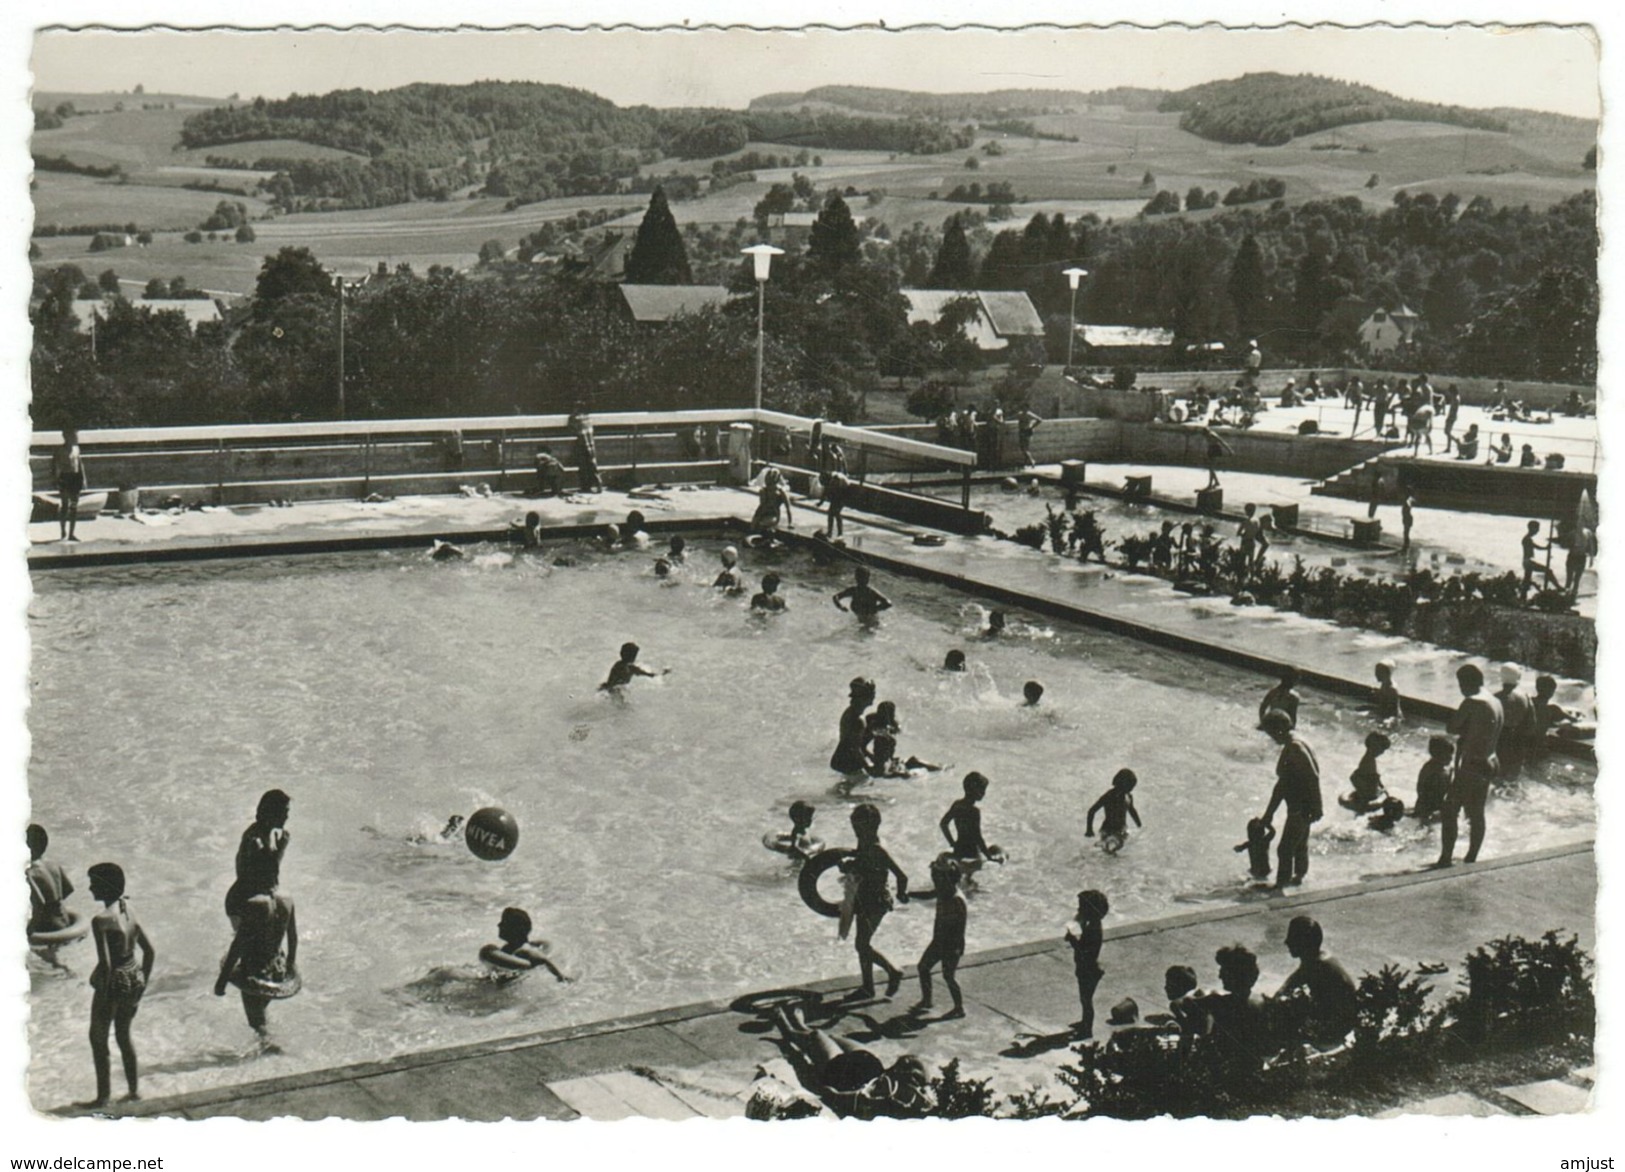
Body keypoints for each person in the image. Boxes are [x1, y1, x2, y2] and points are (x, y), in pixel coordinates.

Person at [766, 1003, 932, 1118]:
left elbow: (844, 1097)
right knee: (831, 1037)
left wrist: (831, 1092)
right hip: (870, 1063)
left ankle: (787, 1026)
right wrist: (923, 1084)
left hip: (843, 1073)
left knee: (816, 1037)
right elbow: (915, 1064)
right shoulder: (920, 1095)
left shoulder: (887, 1103)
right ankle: (800, 1027)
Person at [84, 863, 155, 1107]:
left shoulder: (101, 920)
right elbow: (150, 952)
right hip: (133, 975)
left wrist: (103, 993)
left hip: (112, 983)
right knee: (124, 1035)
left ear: (105, 887)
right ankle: (134, 1091)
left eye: (93, 882)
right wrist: (141, 987)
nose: (90, 887)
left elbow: (105, 965)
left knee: (98, 1038)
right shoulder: (129, 910)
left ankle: (103, 1097)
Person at [1436, 664, 1503, 868]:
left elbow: (1452, 726)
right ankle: (1471, 857)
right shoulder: (1495, 700)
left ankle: (1445, 859)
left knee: (1449, 810)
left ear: (1466, 682)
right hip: (1491, 760)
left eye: (1460, 684)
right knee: (1477, 813)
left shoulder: (1472, 702)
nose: (1460, 689)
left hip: (1473, 764)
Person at [1175, 944, 1273, 1074]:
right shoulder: (1262, 1000)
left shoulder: (1218, 1002)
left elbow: (1180, 1003)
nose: (1220, 975)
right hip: (1253, 1068)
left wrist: (1201, 996)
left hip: (1223, 1072)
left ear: (1234, 974)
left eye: (1224, 970)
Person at [844, 803, 909, 999]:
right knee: (861, 943)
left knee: (862, 944)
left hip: (876, 901)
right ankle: (867, 988)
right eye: (854, 827)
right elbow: (862, 865)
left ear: (871, 827)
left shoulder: (876, 848)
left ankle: (893, 971)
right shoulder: (864, 843)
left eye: (858, 828)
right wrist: (849, 865)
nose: (855, 832)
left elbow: (901, 875)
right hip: (864, 898)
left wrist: (901, 894)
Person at [215, 887, 296, 1037]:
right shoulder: (286, 898)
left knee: (256, 1025)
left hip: (254, 972)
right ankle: (271, 1038)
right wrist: (290, 967)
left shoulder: (255, 906)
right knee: (261, 1012)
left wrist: (221, 981)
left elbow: (237, 947)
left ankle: (273, 1049)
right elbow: (293, 938)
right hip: (277, 970)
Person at [1259, 709, 1322, 890]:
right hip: (1304, 803)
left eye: (1271, 734)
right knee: (1300, 844)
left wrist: (1318, 805)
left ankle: (1281, 885)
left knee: (1285, 849)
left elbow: (1312, 776)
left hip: (1300, 805)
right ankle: (1299, 878)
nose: (1272, 739)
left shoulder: (1294, 748)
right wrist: (1269, 814)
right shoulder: (1300, 741)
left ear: (1278, 730)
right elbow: (1283, 784)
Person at [1273, 917, 1358, 1051]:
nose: (1287, 942)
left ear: (1303, 942)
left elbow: (1288, 989)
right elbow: (1292, 982)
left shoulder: (1318, 966)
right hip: (1341, 1025)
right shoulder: (1318, 958)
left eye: (1292, 938)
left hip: (1334, 1033)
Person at [912, 856, 969, 1019]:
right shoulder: (944, 890)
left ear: (948, 879)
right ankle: (927, 1000)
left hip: (951, 944)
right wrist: (910, 895)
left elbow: (960, 928)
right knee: (923, 967)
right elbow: (928, 894)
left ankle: (959, 1007)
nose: (935, 880)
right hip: (939, 941)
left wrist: (957, 948)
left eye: (937, 877)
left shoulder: (956, 899)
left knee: (948, 976)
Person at [226, 789, 291, 929]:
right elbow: (254, 873)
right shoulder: (254, 838)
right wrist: (280, 850)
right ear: (272, 812)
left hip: (255, 901)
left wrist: (280, 850)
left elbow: (270, 872)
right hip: (244, 902)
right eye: (284, 811)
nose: (287, 816)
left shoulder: (269, 835)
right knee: (250, 947)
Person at [939, 772, 1005, 882]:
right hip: (971, 852)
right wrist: (989, 857)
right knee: (998, 850)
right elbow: (977, 837)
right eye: (982, 790)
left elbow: (943, 824)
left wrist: (952, 843)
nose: (984, 793)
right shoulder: (974, 811)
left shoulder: (957, 804)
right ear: (975, 791)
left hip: (959, 849)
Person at [479, 908, 571, 982]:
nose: (498, 925)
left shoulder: (524, 950)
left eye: (504, 923)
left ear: (514, 929)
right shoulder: (508, 948)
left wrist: (560, 976)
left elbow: (543, 960)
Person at [1065, 890, 1108, 1037]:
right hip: (1088, 967)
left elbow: (1083, 950)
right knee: (1085, 999)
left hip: (1088, 968)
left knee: (1086, 999)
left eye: (1081, 907)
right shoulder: (1093, 924)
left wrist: (1072, 940)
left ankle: (1087, 1029)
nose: (1078, 909)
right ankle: (1085, 1022)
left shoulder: (1093, 929)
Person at [27, 823, 74, 938]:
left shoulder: (29, 873)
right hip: (64, 920)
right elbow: (69, 889)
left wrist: (29, 931)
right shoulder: (53, 864)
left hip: (50, 927)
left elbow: (39, 905)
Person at [1085, 768, 1143, 854]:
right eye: (1130, 786)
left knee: (1118, 847)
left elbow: (1132, 810)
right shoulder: (1109, 796)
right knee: (1111, 847)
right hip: (1108, 829)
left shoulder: (1128, 796)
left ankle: (1107, 855)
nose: (1131, 789)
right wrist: (1089, 830)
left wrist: (1139, 825)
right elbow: (1092, 811)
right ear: (1121, 784)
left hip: (1122, 829)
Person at [1494, 664, 1536, 780]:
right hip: (1518, 741)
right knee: (1512, 778)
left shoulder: (1495, 698)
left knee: (1496, 776)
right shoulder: (1526, 697)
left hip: (1500, 740)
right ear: (1519, 676)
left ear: (1500, 677)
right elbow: (1532, 725)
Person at [830, 677, 877, 778]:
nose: (874, 696)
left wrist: (870, 756)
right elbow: (854, 747)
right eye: (872, 693)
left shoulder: (851, 712)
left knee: (851, 784)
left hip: (843, 757)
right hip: (847, 760)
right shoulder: (857, 720)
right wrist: (867, 766)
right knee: (861, 780)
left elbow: (857, 744)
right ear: (864, 697)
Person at [1340, 731, 1390, 813]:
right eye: (1382, 749)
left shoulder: (1370, 759)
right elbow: (1355, 778)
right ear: (1373, 747)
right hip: (1366, 798)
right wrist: (1363, 793)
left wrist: (1381, 787)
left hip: (1367, 794)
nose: (1382, 752)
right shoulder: (1368, 762)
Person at [1533, 675, 1594, 741]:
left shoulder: (1529, 701)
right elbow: (1574, 720)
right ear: (1552, 692)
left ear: (1537, 687)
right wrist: (1580, 716)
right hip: (1540, 742)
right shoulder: (1553, 709)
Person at [1412, 734, 1455, 823]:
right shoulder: (1430, 770)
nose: (1451, 758)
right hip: (1426, 806)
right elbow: (1422, 790)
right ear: (1437, 755)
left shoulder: (1445, 770)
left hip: (1434, 805)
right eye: (1448, 755)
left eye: (1451, 755)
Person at [53, 426, 86, 542]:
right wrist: (57, 480)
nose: (76, 438)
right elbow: (56, 466)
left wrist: (84, 479)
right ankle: (63, 531)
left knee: (74, 506)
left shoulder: (76, 449)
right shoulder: (60, 450)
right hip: (65, 477)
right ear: (66, 437)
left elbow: (80, 464)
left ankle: (72, 533)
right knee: (65, 505)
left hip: (75, 477)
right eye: (74, 436)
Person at [751, 467, 795, 543]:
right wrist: (755, 518)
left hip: (773, 514)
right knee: (754, 526)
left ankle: (771, 539)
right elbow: (762, 506)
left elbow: (788, 508)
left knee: (765, 524)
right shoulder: (763, 491)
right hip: (762, 512)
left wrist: (790, 523)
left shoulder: (781, 492)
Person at [600, 641, 666, 693]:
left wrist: (661, 674)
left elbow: (649, 675)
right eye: (634, 655)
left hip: (612, 691)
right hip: (612, 691)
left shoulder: (625, 666)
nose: (634, 657)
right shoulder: (624, 667)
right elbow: (649, 675)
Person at [1520, 521, 1559, 600]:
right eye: (1537, 529)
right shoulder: (1527, 539)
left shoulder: (1527, 539)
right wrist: (1546, 548)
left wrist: (1545, 548)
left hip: (1527, 561)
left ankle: (1523, 596)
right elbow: (1536, 547)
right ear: (1532, 528)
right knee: (1548, 571)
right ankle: (1558, 587)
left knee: (1527, 579)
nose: (1538, 531)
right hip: (1528, 562)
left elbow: (1535, 547)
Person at [568, 407, 602, 493]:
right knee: (592, 462)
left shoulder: (574, 418)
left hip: (581, 443)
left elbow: (571, 428)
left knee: (582, 465)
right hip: (590, 443)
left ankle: (586, 486)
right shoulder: (588, 418)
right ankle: (597, 482)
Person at [821, 469, 852, 539]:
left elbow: (835, 493)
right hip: (839, 493)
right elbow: (826, 491)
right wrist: (821, 502)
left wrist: (832, 501)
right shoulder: (830, 479)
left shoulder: (835, 479)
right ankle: (830, 532)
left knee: (836, 512)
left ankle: (839, 533)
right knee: (831, 513)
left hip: (845, 492)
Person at [1441, 385, 1461, 452]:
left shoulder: (1455, 398)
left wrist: (1449, 417)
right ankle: (1448, 447)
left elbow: (1453, 409)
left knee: (1447, 432)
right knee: (1448, 432)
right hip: (1452, 416)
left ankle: (1456, 441)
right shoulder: (1456, 397)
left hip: (1451, 416)